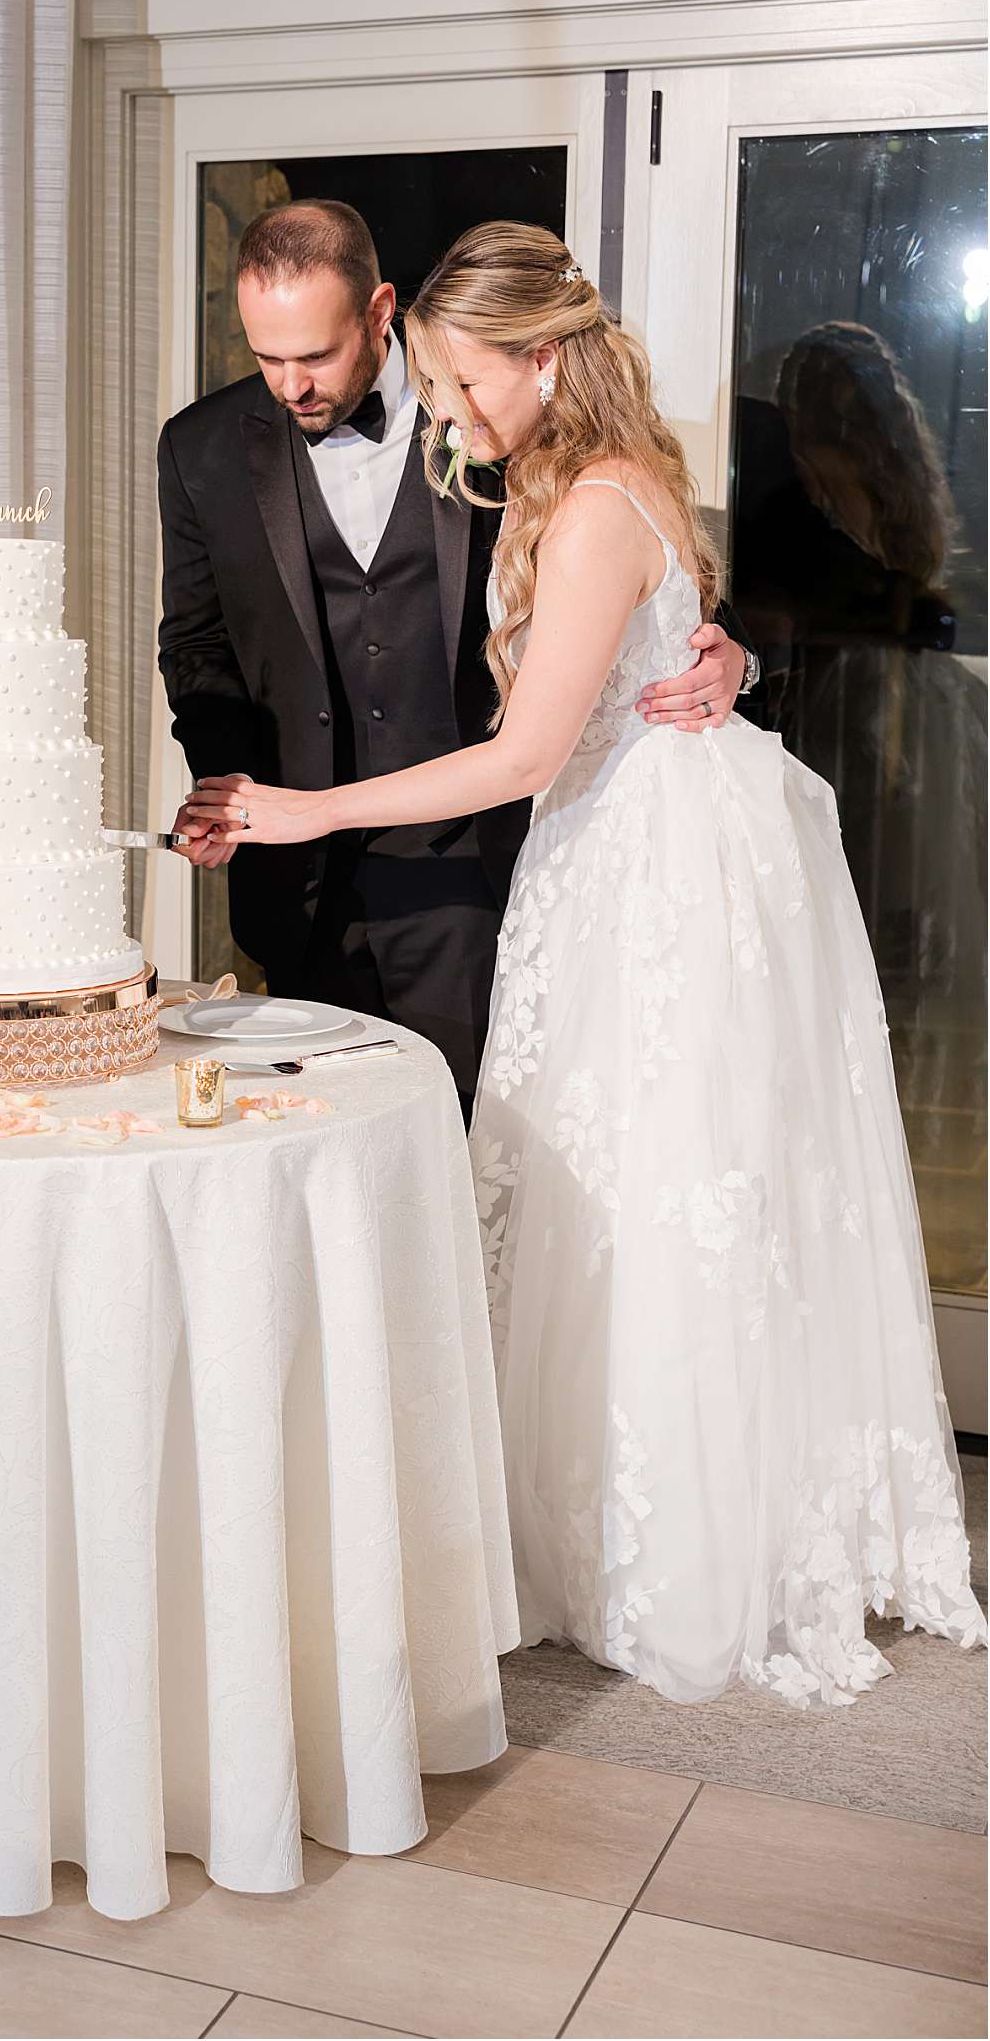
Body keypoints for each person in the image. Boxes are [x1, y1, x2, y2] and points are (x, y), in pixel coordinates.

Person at [183, 221, 986, 1709]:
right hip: (610, 845)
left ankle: (679, 1544)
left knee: (662, 1191)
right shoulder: (575, 473)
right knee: (606, 1192)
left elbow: (531, 746)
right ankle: (599, 1520)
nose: (442, 412)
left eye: (460, 380)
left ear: (540, 357)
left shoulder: (599, 496)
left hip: (644, 865)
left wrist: (312, 807)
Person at [157, 200, 760, 1113]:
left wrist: (736, 657)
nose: (291, 387)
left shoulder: (514, 426)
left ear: (378, 311)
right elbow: (197, 643)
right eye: (266, 357)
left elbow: (661, 580)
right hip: (303, 886)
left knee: (487, 1153)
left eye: (314, 356)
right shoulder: (199, 447)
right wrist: (231, 791)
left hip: (484, 870)